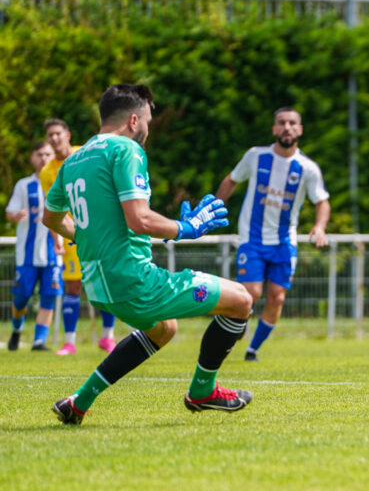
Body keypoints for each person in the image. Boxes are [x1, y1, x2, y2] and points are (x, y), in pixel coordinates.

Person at [43, 83, 254, 425]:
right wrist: (186, 227)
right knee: (242, 300)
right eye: (147, 121)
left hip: (97, 284)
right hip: (134, 281)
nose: (147, 129)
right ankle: (203, 391)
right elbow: (139, 219)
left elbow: (50, 218)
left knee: (163, 329)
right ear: (133, 120)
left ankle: (79, 402)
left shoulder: (73, 161)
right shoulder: (126, 150)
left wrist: (87, 236)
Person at [215, 107, 329, 362]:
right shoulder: (256, 156)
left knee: (277, 298)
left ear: (300, 130)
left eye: (292, 123)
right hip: (252, 239)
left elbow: (322, 201)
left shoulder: (307, 168)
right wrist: (213, 209)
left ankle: (252, 350)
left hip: (284, 242)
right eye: (282, 122)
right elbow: (232, 179)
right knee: (251, 293)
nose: (287, 127)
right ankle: (236, 324)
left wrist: (320, 226)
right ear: (274, 128)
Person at [39, 118, 119, 355]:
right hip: (71, 233)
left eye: (58, 133)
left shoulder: (85, 153)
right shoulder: (47, 172)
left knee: (105, 282)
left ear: (68, 135)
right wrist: (56, 238)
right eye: (50, 135)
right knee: (73, 286)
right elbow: (51, 209)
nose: (54, 138)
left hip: (97, 229)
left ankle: (108, 337)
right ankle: (70, 342)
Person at [6, 141, 58, 351]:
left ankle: (39, 341)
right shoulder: (23, 185)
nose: (44, 158)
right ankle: (17, 329)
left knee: (49, 296)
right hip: (27, 254)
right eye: (39, 154)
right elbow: (10, 212)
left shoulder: (60, 183)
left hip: (54, 254)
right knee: (21, 298)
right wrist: (16, 215)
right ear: (32, 158)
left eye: (48, 154)